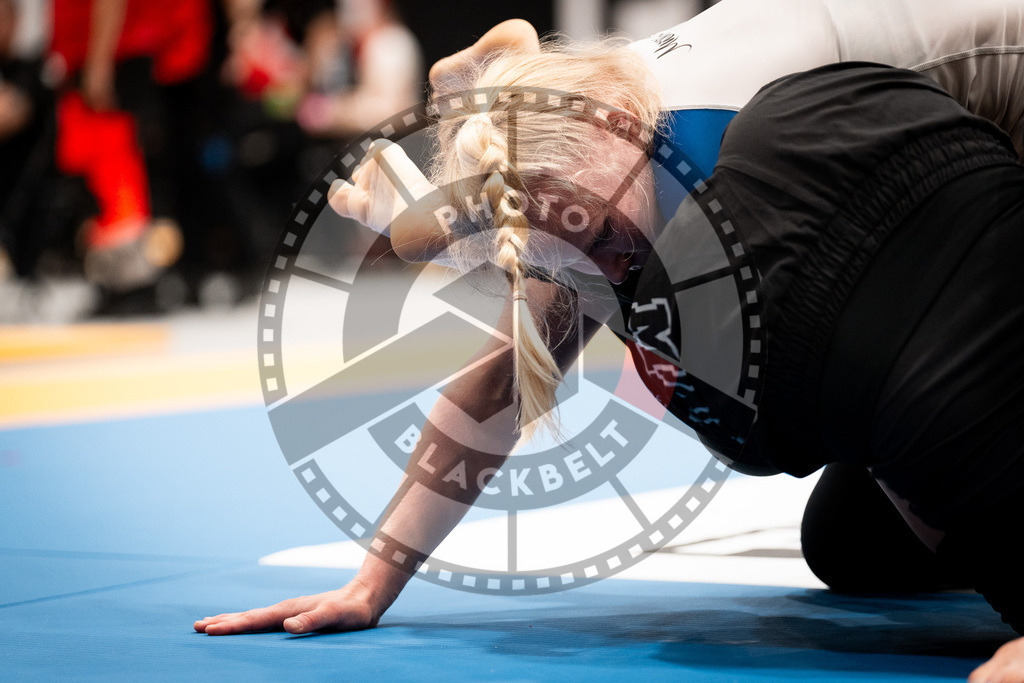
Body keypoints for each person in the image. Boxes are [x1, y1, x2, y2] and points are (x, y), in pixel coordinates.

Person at [195, 3, 1024, 680]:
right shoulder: (580, 179)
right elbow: (500, 380)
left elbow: (907, 350)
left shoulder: (748, 118)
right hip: (925, 193)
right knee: (852, 542)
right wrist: (374, 580)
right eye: (580, 261)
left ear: (623, 127)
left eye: (603, 240)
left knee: (908, 399)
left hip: (999, 112)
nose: (612, 272)